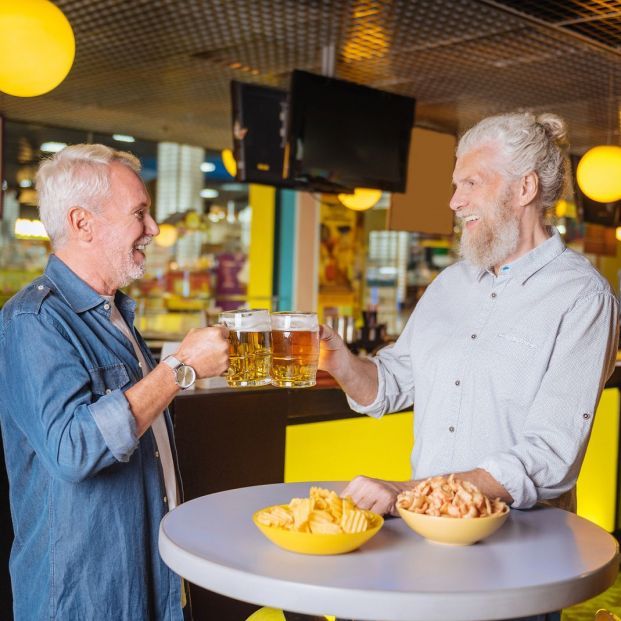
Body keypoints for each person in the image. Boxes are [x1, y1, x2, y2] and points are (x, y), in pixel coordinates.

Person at [320, 112, 619, 521]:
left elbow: (550, 456)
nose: (454, 201)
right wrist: (340, 361)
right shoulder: (449, 284)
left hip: (521, 542)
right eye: (455, 185)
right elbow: (390, 385)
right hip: (428, 527)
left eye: (471, 184)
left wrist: (411, 491)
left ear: (524, 188)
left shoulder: (582, 296)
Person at [0, 144, 229, 620]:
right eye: (140, 213)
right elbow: (72, 448)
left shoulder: (115, 313)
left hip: (149, 580)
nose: (153, 229)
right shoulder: (33, 320)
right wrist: (179, 368)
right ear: (83, 223)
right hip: (84, 597)